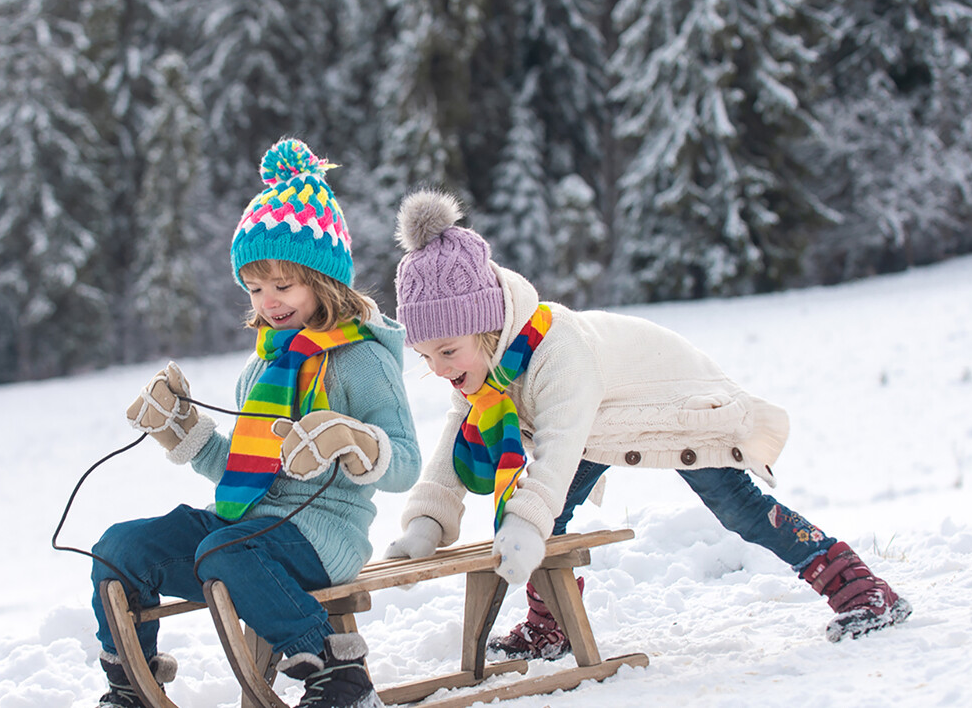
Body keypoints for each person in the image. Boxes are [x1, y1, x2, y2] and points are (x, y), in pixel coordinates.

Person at [380, 190, 911, 656]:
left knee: (738, 508)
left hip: (677, 406)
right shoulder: (484, 370)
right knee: (551, 510)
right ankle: (552, 627)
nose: (440, 370)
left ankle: (860, 587)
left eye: (447, 351)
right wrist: (426, 524)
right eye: (426, 358)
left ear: (487, 327)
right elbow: (454, 443)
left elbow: (559, 450)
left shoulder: (557, 350)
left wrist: (523, 525)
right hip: (603, 419)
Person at [88, 139, 419, 708]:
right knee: (119, 548)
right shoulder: (263, 365)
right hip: (241, 530)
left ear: (324, 279)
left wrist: (356, 441)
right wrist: (184, 431)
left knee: (227, 549)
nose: (268, 301)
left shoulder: (361, 361)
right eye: (255, 287)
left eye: (282, 285)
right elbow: (248, 466)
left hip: (324, 535)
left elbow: (405, 464)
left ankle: (340, 677)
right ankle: (132, 683)